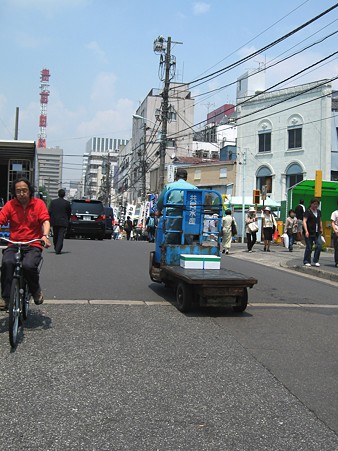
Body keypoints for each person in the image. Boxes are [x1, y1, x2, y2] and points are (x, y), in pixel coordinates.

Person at [0, 177, 51, 310]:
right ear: (14, 192)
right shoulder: (10, 205)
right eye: (18, 191)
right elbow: (1, 218)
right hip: (14, 243)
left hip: (32, 244)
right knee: (7, 263)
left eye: (24, 190)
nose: (21, 193)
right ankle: (5, 297)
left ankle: (36, 291)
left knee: (28, 265)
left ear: (30, 191)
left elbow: (45, 220)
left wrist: (44, 236)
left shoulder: (38, 204)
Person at [156, 168, 197, 244]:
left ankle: (166, 249)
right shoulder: (193, 188)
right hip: (189, 216)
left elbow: (161, 200)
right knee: (188, 236)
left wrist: (158, 210)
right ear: (186, 177)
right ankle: (188, 247)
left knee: (170, 235)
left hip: (173, 215)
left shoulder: (169, 187)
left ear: (176, 177)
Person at [48, 188, 71, 254]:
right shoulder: (67, 203)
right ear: (64, 195)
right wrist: (67, 220)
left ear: (58, 194)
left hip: (54, 221)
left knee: (55, 235)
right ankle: (58, 248)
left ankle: (56, 247)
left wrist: (49, 220)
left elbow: (49, 212)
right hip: (63, 221)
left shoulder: (53, 202)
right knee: (61, 235)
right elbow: (69, 212)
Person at [303, 198, 323, 267]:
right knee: (309, 247)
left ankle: (315, 260)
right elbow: (304, 221)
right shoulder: (308, 212)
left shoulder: (319, 212)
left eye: (317, 204)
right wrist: (306, 231)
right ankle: (306, 261)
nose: (315, 206)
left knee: (319, 246)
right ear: (311, 204)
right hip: (309, 232)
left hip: (317, 232)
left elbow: (320, 220)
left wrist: (321, 228)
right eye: (314, 204)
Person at [330, 202, 338, 268]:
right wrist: (335, 230)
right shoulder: (335, 213)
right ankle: (337, 262)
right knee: (337, 248)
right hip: (336, 232)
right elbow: (332, 222)